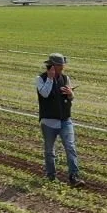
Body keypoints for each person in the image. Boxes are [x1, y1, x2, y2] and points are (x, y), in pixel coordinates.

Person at [36, 52, 82, 185]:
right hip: (49, 121)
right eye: (60, 66)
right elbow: (44, 94)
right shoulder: (40, 79)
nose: (62, 68)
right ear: (52, 66)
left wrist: (70, 94)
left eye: (63, 66)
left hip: (65, 120)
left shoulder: (66, 78)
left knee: (70, 147)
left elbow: (70, 98)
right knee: (50, 151)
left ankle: (74, 177)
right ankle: (51, 176)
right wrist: (50, 79)